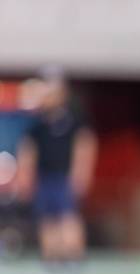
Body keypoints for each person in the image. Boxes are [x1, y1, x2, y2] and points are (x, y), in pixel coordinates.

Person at [17, 68, 97, 263]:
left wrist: (81, 173)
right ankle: (51, 256)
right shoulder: (37, 125)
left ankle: (72, 255)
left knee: (67, 216)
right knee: (47, 218)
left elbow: (85, 146)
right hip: (44, 176)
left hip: (64, 176)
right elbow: (28, 151)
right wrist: (25, 176)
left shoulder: (74, 121)